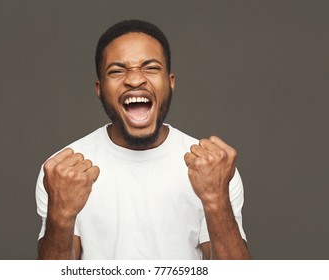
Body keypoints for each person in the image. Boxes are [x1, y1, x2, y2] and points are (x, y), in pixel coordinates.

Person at [35, 19, 251, 260]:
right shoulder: (63, 171)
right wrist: (60, 216)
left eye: (150, 67)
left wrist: (216, 200)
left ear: (170, 83)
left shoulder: (213, 168)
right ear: (100, 88)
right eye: (117, 71)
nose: (135, 80)